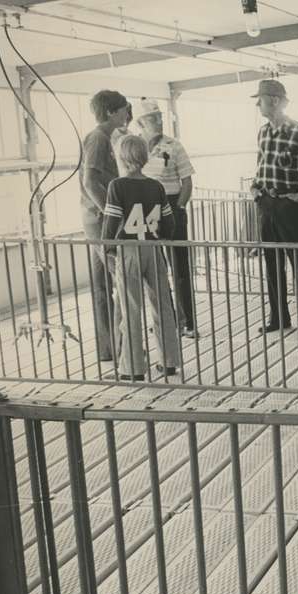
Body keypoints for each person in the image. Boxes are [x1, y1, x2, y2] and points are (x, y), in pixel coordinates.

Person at [102, 135, 181, 380]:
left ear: (122, 158)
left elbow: (110, 225)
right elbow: (170, 224)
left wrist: (108, 249)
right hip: (153, 248)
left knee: (131, 309)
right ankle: (169, 362)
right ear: (145, 157)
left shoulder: (117, 186)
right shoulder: (156, 186)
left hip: (129, 249)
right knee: (163, 306)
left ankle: (133, 368)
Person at [249, 79, 298, 337]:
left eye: (261, 99)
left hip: (291, 207)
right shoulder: (263, 132)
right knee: (271, 262)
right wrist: (256, 188)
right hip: (267, 204)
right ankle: (278, 317)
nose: (258, 104)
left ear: (275, 100)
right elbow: (261, 165)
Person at [135, 98, 198, 338]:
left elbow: (187, 181)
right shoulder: (135, 147)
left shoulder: (174, 146)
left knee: (179, 267)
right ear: (141, 122)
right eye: (152, 118)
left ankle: (188, 322)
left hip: (171, 206)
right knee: (153, 270)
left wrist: (179, 208)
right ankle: (166, 320)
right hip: (145, 210)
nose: (158, 121)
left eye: (160, 117)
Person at [80, 89, 129, 363]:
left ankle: (108, 347)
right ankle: (125, 347)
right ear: (111, 111)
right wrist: (110, 215)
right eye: (123, 109)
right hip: (100, 221)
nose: (125, 114)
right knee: (120, 279)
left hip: (93, 219)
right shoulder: (98, 138)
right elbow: (90, 182)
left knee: (101, 284)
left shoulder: (103, 138)